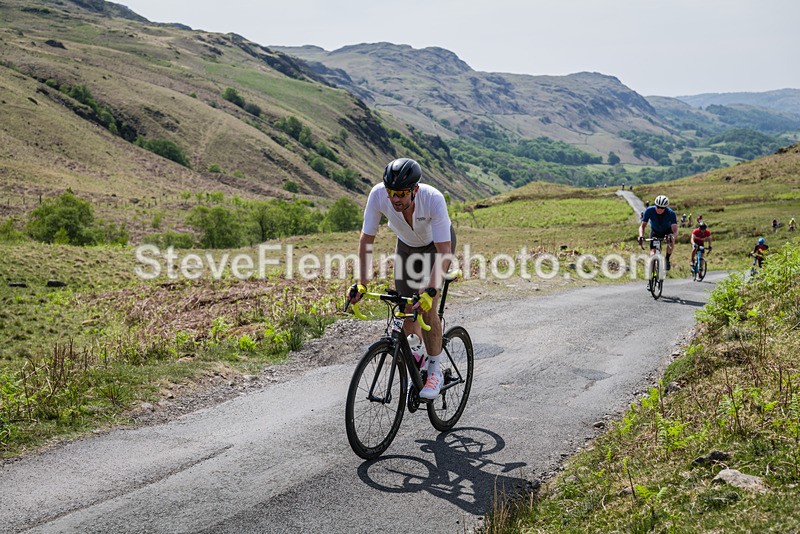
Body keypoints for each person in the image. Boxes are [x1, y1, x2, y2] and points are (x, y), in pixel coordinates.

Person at [347, 157, 454, 400]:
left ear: (414, 190)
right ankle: (418, 357)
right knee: (405, 308)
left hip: (436, 247)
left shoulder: (433, 199)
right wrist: (362, 282)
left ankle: (435, 371)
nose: (395, 199)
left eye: (402, 193)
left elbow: (444, 251)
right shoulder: (377, 195)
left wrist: (431, 290)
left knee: (427, 308)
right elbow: (366, 240)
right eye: (391, 192)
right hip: (407, 247)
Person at [639, 194, 678, 270]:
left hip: (667, 231)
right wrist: (641, 236)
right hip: (655, 231)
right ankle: (651, 274)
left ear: (665, 207)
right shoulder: (649, 210)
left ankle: (667, 259)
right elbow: (642, 226)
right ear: (655, 205)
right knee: (653, 253)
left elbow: (675, 231)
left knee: (671, 241)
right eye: (658, 207)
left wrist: (672, 236)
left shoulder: (671, 213)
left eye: (662, 208)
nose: (659, 209)